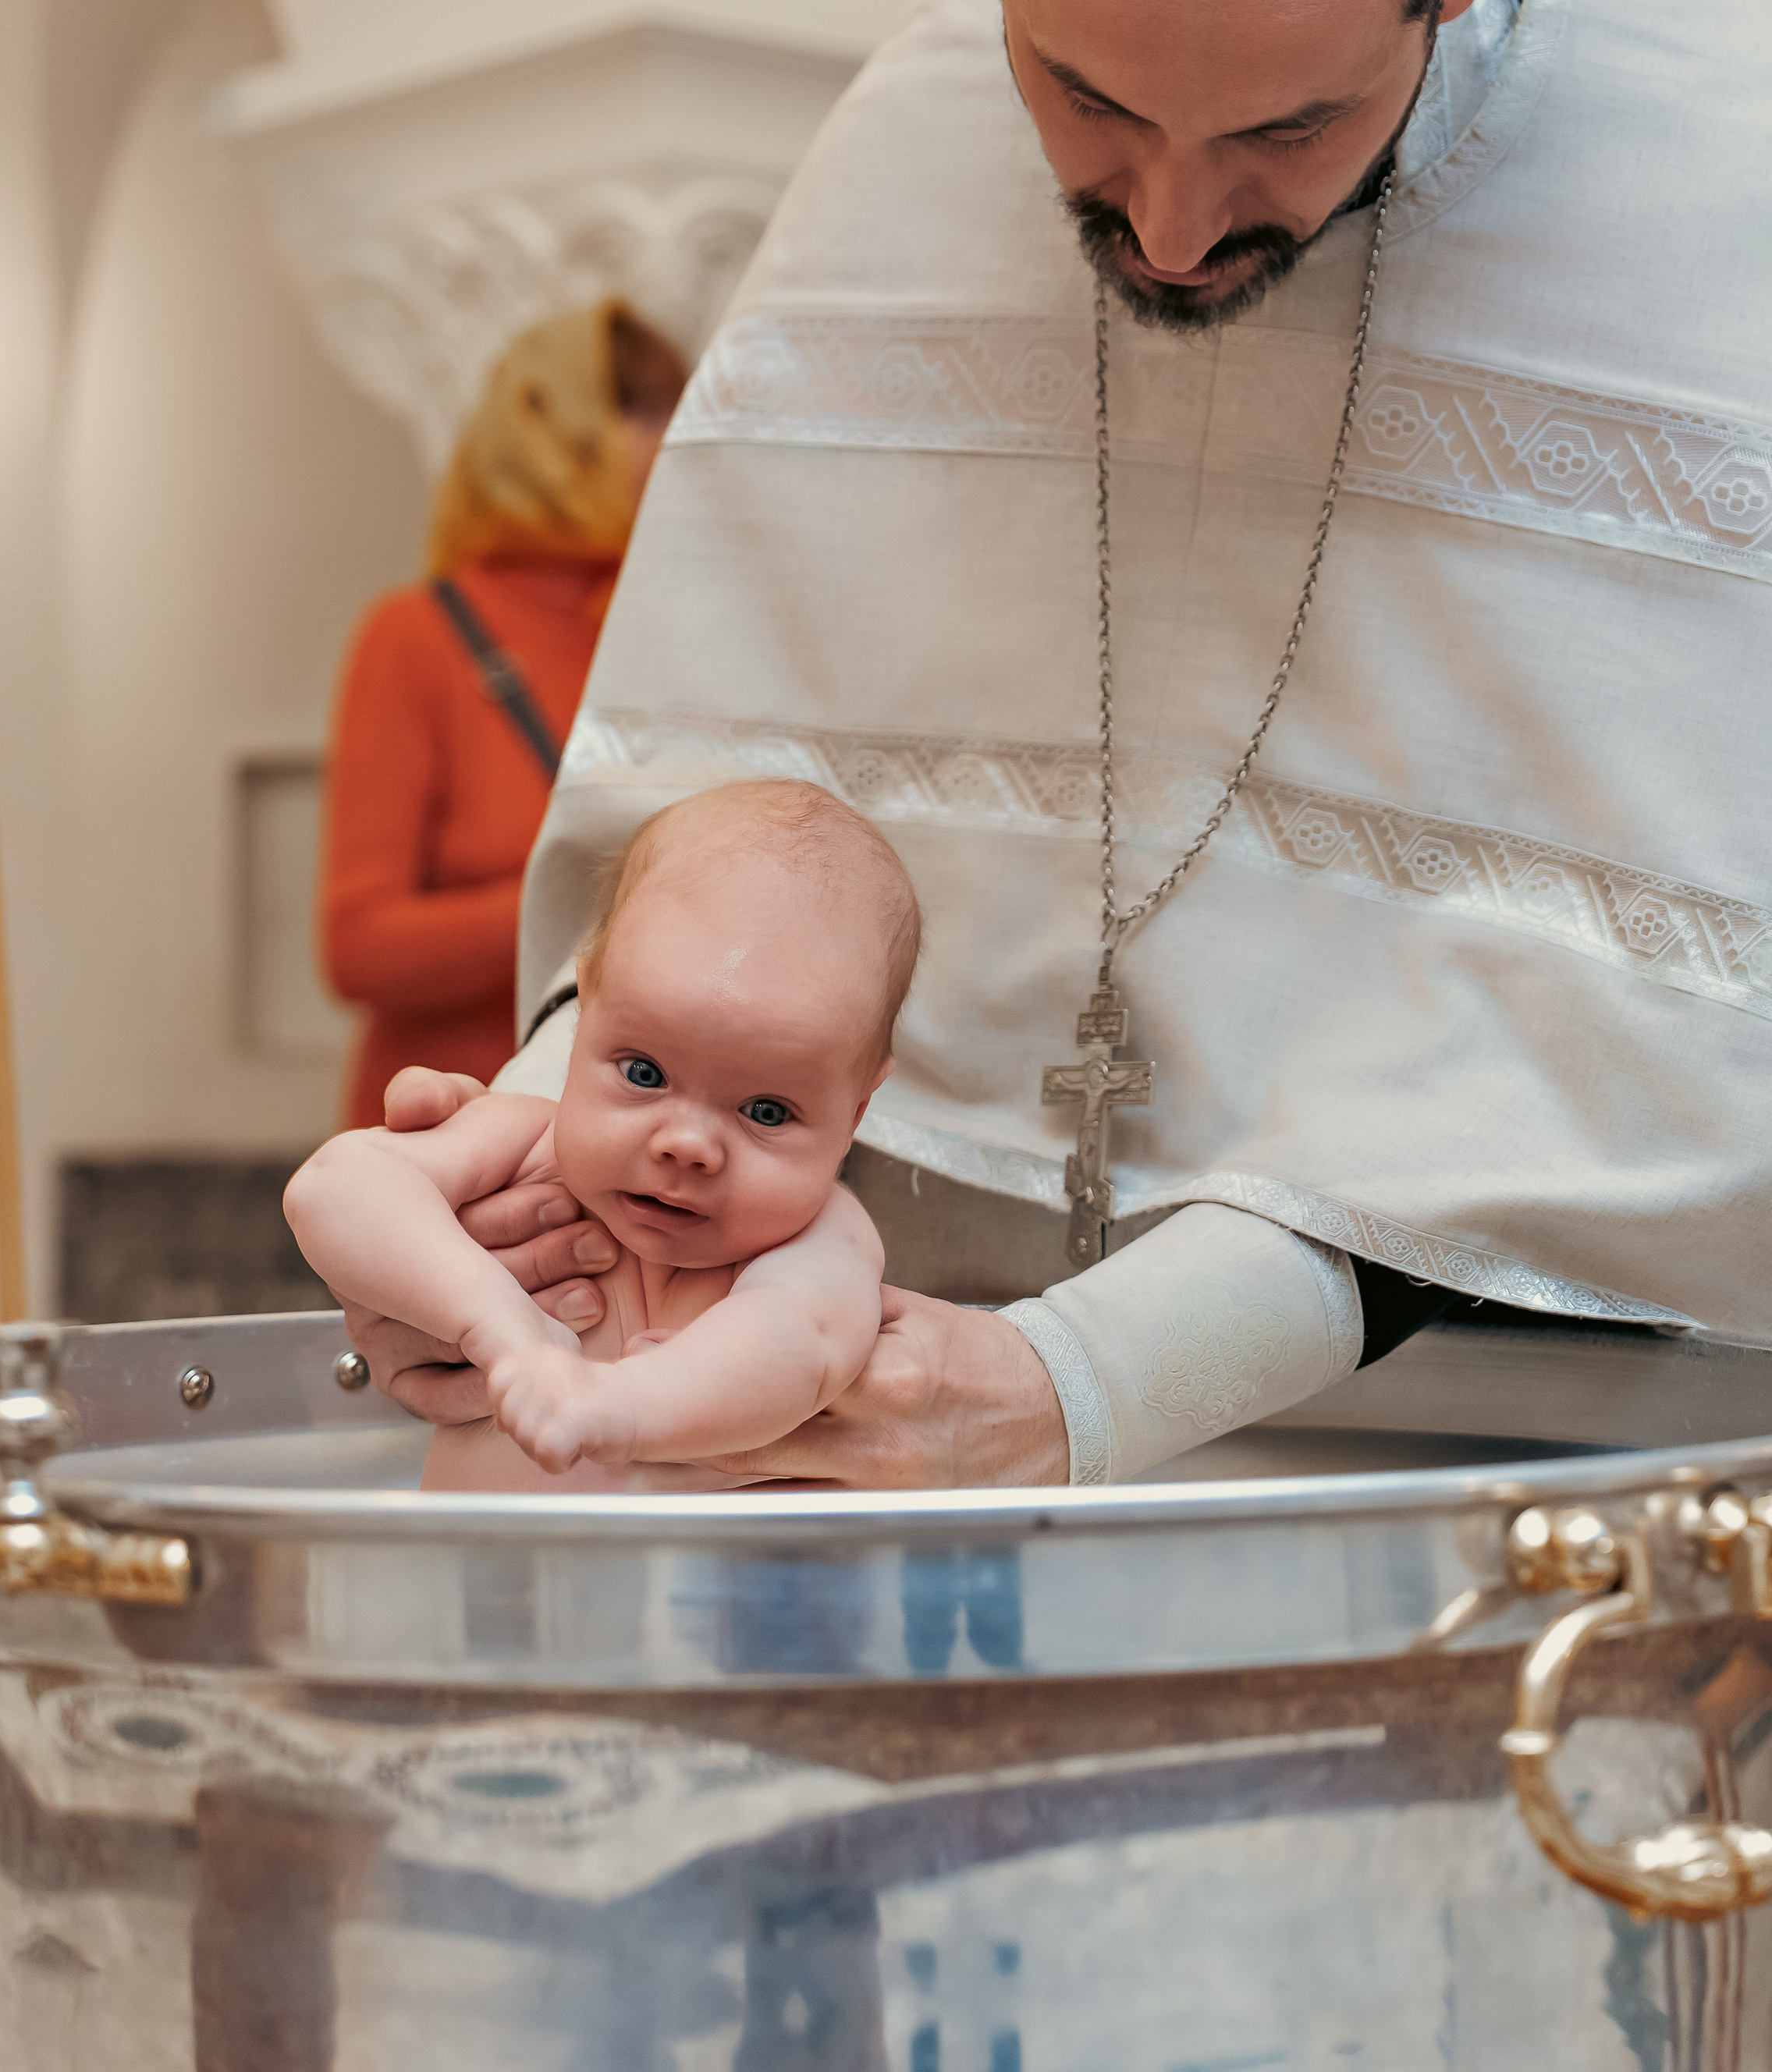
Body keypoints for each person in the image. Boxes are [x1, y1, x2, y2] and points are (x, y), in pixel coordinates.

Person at [336, 0, 1772, 1485]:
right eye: (1087, 100)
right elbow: (732, 840)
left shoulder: (1721, 174)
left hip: (1515, 1474)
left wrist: (1088, 1380)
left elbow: (1637, 1049)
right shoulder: (912, 137)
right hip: (824, 1442)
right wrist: (521, 1188)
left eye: (1286, 130)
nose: (1169, 228)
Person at [286, 782, 918, 1491]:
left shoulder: (819, 1241)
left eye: (766, 1112)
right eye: (645, 1072)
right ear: (583, 1010)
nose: (686, 1144)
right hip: (474, 1593)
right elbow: (334, 1187)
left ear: (856, 1112)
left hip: (713, 1601)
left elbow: (798, 1347)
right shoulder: (531, 1146)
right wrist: (496, 1323)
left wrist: (624, 1406)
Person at [317, 299, 688, 1128]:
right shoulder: (416, 634)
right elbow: (358, 944)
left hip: (621, 1146)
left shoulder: (670, 631)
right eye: (640, 409)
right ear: (548, 431)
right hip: (445, 1132)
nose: (673, 439)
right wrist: (589, 901)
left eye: (679, 409)